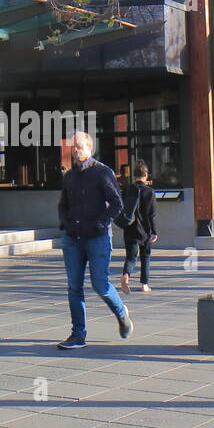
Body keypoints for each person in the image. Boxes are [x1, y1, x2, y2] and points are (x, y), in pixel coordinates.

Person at [55, 131, 133, 349]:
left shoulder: (102, 173)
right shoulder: (69, 177)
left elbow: (117, 204)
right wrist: (65, 222)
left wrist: (101, 223)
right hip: (73, 239)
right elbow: (63, 204)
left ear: (90, 148)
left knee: (100, 284)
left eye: (79, 146)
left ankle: (120, 311)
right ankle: (78, 334)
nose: (75, 150)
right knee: (74, 287)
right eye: (74, 146)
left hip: (97, 238)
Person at [119, 160, 159, 293]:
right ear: (146, 175)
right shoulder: (149, 192)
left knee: (130, 257)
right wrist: (154, 231)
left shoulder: (127, 190)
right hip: (145, 230)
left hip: (130, 228)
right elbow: (152, 214)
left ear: (134, 176)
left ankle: (126, 275)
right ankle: (144, 284)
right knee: (145, 256)